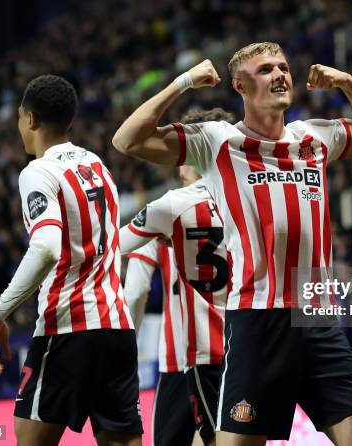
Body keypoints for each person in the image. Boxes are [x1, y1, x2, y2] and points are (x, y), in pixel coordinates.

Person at [112, 41, 352, 445]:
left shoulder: (313, 137)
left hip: (317, 316)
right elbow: (127, 140)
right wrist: (184, 82)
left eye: (283, 66)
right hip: (258, 319)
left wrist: (348, 84)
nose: (280, 74)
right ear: (240, 86)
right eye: (265, 70)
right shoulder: (217, 142)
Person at [0, 75, 142, 446]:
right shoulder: (97, 165)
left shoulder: (38, 172)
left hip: (68, 328)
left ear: (31, 119)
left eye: (20, 118)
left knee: (29, 437)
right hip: (117, 329)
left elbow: (46, 248)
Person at [123, 108, 235, 446]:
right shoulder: (245, 203)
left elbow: (137, 291)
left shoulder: (166, 210)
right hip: (241, 346)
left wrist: (124, 351)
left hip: (184, 356)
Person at [124, 240, 197, 445]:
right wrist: (296, 324)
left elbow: (135, 293)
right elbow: (291, 265)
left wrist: (124, 350)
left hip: (179, 360)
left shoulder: (155, 215)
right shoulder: (234, 209)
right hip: (234, 356)